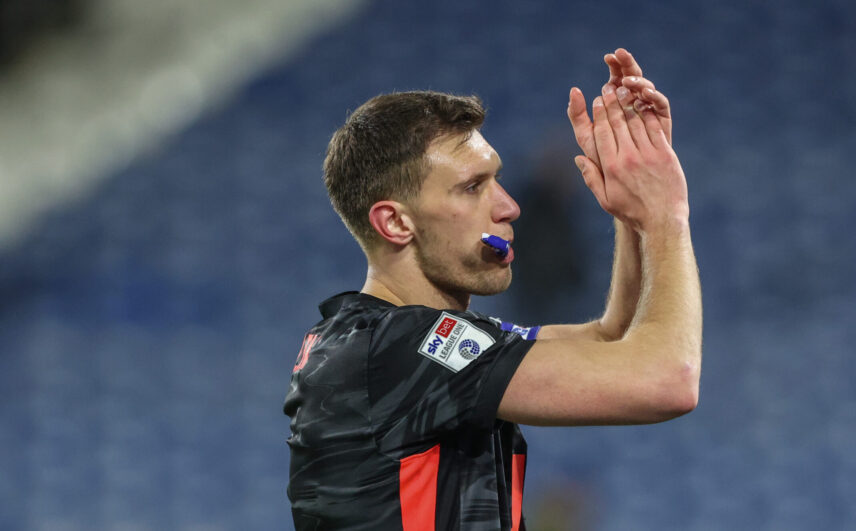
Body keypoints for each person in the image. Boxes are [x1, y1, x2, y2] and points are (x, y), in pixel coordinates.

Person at [283, 48, 702, 531]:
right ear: (395, 222)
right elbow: (667, 381)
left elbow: (613, 339)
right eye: (471, 187)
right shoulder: (396, 349)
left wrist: (634, 218)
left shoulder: (408, 342)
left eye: (496, 179)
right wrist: (668, 213)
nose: (508, 206)